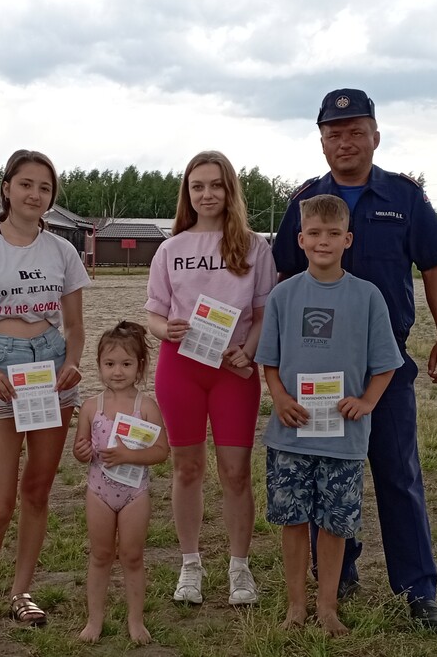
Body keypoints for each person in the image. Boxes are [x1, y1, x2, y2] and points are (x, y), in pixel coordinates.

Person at [273, 88, 437, 631]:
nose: (345, 142)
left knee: (398, 475)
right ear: (322, 141)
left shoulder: (405, 197)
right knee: (328, 471)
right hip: (316, 372)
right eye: (334, 133)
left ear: (376, 135)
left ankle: (417, 588)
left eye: (356, 131)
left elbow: (435, 269)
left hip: (385, 368)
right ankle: (339, 575)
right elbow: (284, 275)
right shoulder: (306, 202)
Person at [0, 150, 90, 629]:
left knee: (37, 490)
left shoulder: (63, 252)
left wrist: (71, 363)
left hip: (48, 370)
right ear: (6, 187)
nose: (34, 194)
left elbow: (75, 325)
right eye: (25, 184)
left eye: (44, 188)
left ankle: (21, 591)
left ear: (51, 198)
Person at [257, 195, 402, 636]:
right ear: (300, 239)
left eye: (333, 233)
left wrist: (367, 402)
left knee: (334, 525)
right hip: (291, 436)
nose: (324, 241)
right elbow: (270, 362)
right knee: (294, 521)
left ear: (347, 239)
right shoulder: (283, 295)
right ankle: (296, 606)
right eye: (314, 234)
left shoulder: (368, 296)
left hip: (344, 438)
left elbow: (386, 364)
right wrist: (279, 397)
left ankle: (327, 606)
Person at [145, 150, 276, 606]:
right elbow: (154, 316)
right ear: (187, 192)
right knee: (188, 468)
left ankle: (240, 568)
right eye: (197, 186)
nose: (207, 194)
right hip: (181, 368)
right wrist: (168, 329)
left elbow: (263, 314)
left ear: (230, 190)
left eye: (216, 185)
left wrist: (249, 350)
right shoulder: (170, 248)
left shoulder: (255, 247)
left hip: (234, 370)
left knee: (236, 472)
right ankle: (190, 564)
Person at [72, 322, 170, 644]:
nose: (117, 372)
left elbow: (161, 451)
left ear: (139, 367)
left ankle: (136, 620)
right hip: (98, 492)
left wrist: (129, 456)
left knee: (132, 556)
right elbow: (81, 449)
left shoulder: (147, 407)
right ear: (99, 365)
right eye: (109, 364)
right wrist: (82, 451)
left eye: (126, 364)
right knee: (100, 555)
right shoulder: (90, 407)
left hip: (135, 493)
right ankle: (93, 620)